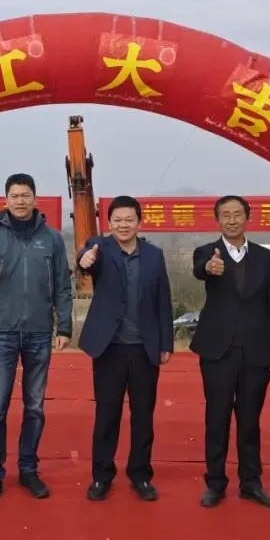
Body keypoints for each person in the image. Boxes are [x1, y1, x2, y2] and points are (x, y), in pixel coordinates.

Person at [0, 172, 73, 504]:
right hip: (2, 332)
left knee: (35, 407)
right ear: (6, 200)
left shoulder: (52, 238)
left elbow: (62, 285)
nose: (20, 200)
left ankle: (28, 468)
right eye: (14, 196)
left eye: (25, 195)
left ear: (35, 199)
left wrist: (64, 326)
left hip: (39, 333)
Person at [75, 196, 174, 502]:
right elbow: (85, 256)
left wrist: (166, 343)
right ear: (109, 223)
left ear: (139, 222)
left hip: (145, 348)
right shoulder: (100, 248)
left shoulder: (154, 255)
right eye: (117, 220)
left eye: (129, 219)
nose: (123, 225)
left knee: (143, 416)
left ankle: (140, 475)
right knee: (107, 414)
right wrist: (83, 260)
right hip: (110, 348)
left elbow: (163, 300)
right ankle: (101, 475)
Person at [190, 195, 270, 509]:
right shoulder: (207, 253)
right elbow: (200, 270)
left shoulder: (265, 257)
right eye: (225, 215)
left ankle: (251, 484)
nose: (231, 220)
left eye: (237, 214)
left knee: (250, 421)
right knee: (216, 419)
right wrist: (209, 267)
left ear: (247, 217)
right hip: (218, 351)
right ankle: (215, 483)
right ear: (217, 220)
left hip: (256, 351)